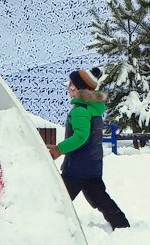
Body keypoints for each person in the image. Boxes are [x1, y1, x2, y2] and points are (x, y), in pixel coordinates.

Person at [48, 67, 130, 230]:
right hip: (92, 163)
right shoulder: (93, 109)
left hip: (78, 166)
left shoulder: (80, 110)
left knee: (58, 199)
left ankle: (48, 225)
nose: (69, 90)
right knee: (99, 197)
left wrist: (58, 150)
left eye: (71, 86)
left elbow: (80, 136)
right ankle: (121, 225)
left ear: (79, 90)